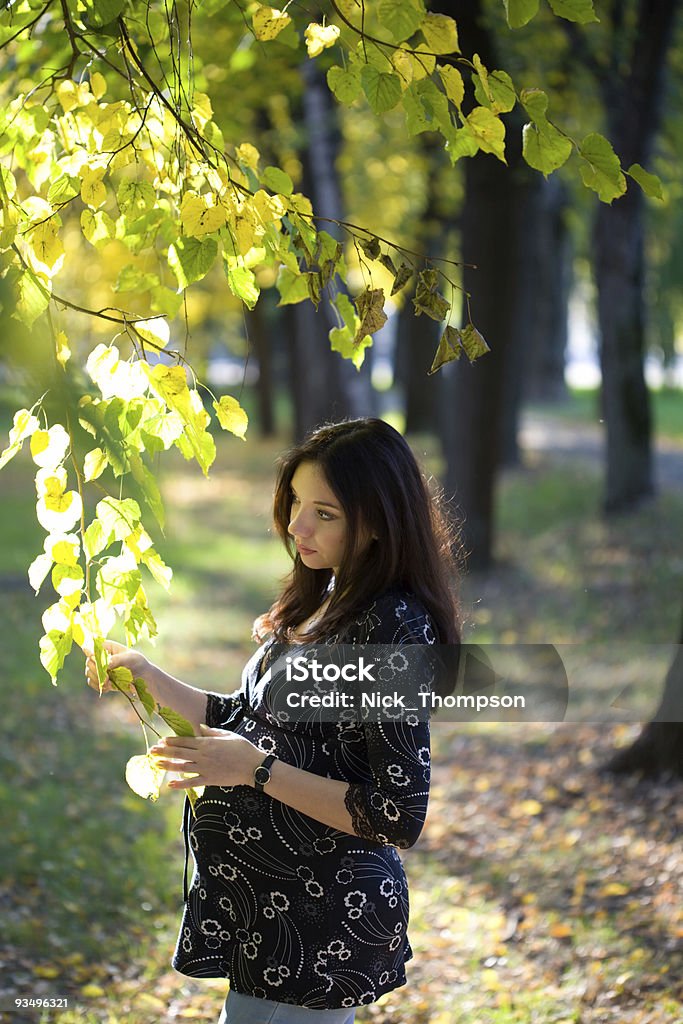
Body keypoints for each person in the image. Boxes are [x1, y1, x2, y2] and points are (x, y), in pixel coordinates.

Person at [85, 417, 460, 1024]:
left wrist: (255, 772)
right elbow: (250, 717)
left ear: (377, 523)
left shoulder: (393, 628)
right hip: (269, 916)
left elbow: (396, 812)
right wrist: (151, 678)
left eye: (325, 513)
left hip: (322, 924)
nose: (296, 526)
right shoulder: (329, 599)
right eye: (295, 503)